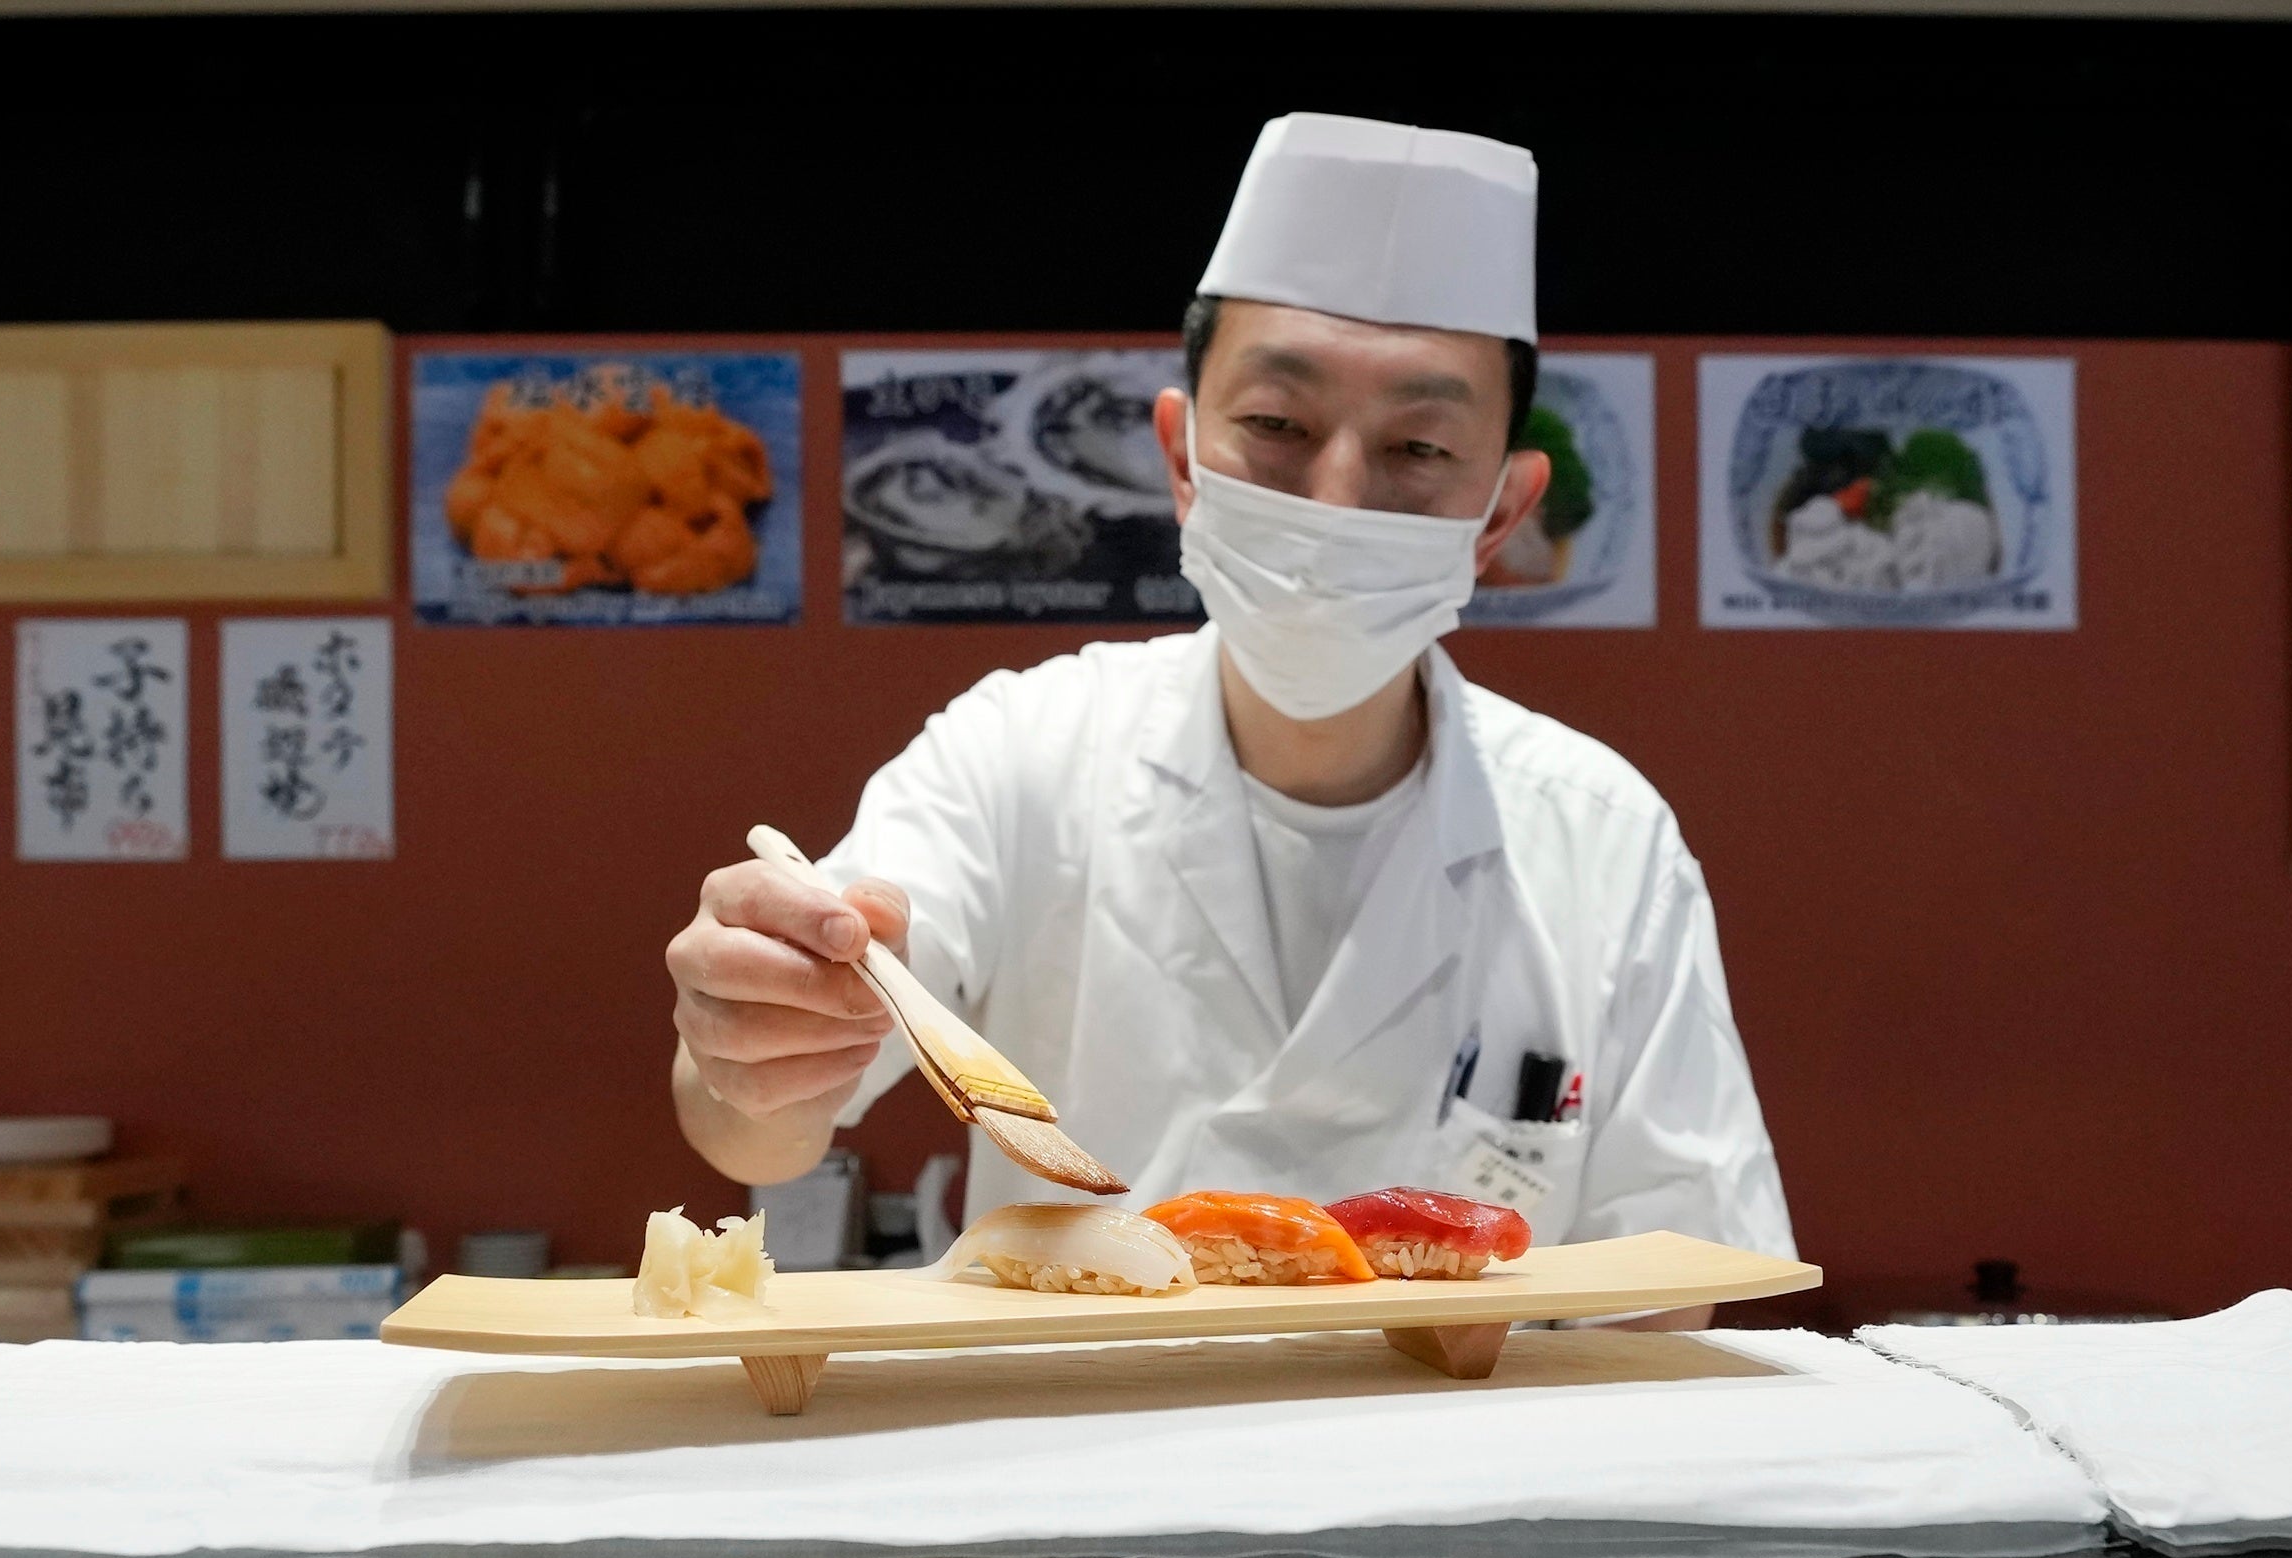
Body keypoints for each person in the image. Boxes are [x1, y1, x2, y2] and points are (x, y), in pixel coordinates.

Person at [665, 113, 1791, 1304]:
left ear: (1502, 513)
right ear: (1181, 453)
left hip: (1463, 1466)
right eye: (1273, 425)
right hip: (1081, 1458)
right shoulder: (1019, 754)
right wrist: (747, 1049)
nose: (1337, 496)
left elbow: (1687, 1272)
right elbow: (759, 1125)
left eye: (1417, 444)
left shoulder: (1601, 837)